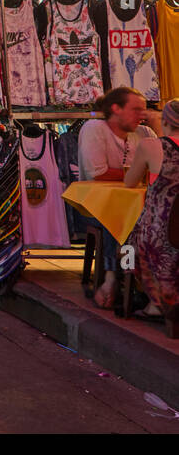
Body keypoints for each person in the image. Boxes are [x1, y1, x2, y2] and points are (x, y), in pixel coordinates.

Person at [79, 86, 157, 309]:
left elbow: (162, 166)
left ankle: (134, 280)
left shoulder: (145, 133)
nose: (142, 115)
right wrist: (139, 172)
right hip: (97, 206)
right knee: (122, 224)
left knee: (150, 225)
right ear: (116, 109)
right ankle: (117, 276)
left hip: (139, 208)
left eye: (144, 110)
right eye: (136, 109)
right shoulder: (95, 128)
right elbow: (98, 172)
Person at [124, 99, 179, 328]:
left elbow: (129, 182)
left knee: (126, 246)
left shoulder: (150, 145)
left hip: (160, 233)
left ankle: (150, 301)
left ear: (165, 121)